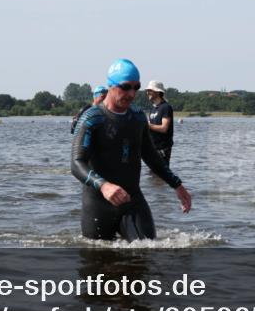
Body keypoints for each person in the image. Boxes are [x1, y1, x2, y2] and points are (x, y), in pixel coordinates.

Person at [71, 59, 192, 241]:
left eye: (136, 87)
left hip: (132, 200)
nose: (132, 93)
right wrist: (104, 185)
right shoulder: (92, 118)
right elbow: (76, 163)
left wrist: (177, 185)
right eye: (126, 87)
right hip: (98, 204)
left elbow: (151, 157)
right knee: (98, 257)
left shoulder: (138, 118)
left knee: (147, 249)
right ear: (111, 86)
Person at [144, 80, 174, 165]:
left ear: (157, 92)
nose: (147, 93)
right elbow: (150, 127)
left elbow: (164, 128)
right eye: (147, 90)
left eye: (150, 90)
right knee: (152, 173)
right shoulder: (153, 108)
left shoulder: (166, 107)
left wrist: (147, 125)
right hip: (152, 149)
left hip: (162, 149)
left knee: (161, 172)